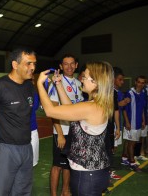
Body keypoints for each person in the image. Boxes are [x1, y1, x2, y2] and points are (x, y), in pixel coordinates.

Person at [37, 61, 114, 196]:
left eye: (85, 77)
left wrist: (39, 85)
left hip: (86, 176)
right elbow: (71, 108)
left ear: (95, 82)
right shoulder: (97, 105)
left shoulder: (90, 107)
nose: (82, 79)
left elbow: (50, 111)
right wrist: (59, 84)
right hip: (96, 172)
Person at [0, 47, 37, 196]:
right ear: (15, 64)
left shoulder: (29, 87)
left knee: (22, 191)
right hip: (4, 149)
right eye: (28, 63)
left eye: (34, 64)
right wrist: (0, 138)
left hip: (26, 147)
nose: (32, 67)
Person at [48, 54, 84, 196]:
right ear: (61, 67)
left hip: (75, 131)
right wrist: (60, 134)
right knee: (57, 165)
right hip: (61, 131)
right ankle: (54, 194)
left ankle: (65, 191)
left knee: (69, 164)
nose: (69, 66)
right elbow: (53, 111)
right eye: (66, 64)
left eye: (72, 63)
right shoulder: (56, 82)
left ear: (76, 65)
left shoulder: (79, 84)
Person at [122, 76, 147, 172]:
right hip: (131, 123)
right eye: (139, 82)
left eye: (142, 82)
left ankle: (124, 158)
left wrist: (143, 120)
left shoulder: (143, 94)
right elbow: (124, 109)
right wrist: (127, 122)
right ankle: (132, 163)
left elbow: (142, 109)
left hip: (138, 123)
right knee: (131, 143)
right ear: (135, 82)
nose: (140, 84)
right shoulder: (129, 93)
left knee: (130, 141)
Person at [30, 75, 40, 166]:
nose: (32, 82)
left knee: (31, 163)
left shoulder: (34, 93)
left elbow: (36, 106)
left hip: (32, 130)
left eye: (33, 80)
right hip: (17, 132)